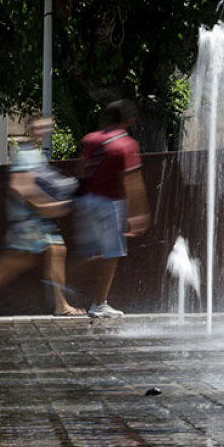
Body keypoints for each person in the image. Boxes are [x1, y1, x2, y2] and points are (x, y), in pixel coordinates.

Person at [0, 116, 85, 318]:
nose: (45, 129)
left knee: (30, 257)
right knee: (23, 258)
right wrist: (44, 206)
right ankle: (60, 305)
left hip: (33, 219)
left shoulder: (35, 154)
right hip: (29, 219)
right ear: (30, 129)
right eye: (40, 125)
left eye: (47, 126)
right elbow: (19, 186)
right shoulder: (26, 154)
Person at [74, 100, 150, 318]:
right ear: (129, 121)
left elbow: (81, 168)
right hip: (109, 204)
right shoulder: (126, 144)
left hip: (85, 202)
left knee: (89, 252)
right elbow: (132, 181)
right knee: (112, 253)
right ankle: (98, 303)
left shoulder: (90, 140)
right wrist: (139, 213)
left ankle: (62, 282)